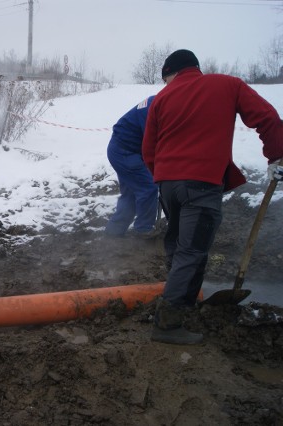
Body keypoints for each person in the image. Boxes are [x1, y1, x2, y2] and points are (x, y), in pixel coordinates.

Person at [142, 49, 283, 345]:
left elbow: (149, 150)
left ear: (173, 72)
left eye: (166, 78)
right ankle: (167, 324)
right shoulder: (228, 84)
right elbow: (268, 117)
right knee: (192, 250)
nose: (167, 84)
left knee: (179, 243)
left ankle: (184, 300)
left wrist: (165, 174)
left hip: (169, 184)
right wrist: (277, 156)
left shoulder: (162, 99)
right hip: (201, 184)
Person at [105, 96, 159, 239]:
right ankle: (144, 230)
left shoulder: (156, 101)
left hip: (120, 148)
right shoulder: (157, 107)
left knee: (131, 192)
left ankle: (113, 232)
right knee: (148, 188)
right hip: (126, 152)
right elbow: (153, 141)